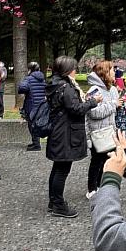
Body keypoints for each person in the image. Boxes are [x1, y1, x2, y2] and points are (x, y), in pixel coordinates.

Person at [45, 55, 101, 218]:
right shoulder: (66, 87)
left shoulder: (54, 84)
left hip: (58, 130)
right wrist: (93, 101)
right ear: (68, 70)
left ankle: (53, 201)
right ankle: (58, 205)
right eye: (74, 68)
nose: (76, 71)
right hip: (66, 133)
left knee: (57, 168)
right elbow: (76, 109)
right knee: (62, 169)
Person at [85, 60, 121, 199]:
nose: (114, 73)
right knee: (96, 162)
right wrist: (113, 104)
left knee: (106, 161)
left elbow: (114, 109)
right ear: (105, 73)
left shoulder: (112, 89)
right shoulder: (94, 90)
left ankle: (100, 186)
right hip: (98, 134)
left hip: (110, 132)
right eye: (112, 70)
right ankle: (92, 189)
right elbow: (93, 112)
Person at [18, 61, 47, 151]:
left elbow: (22, 88)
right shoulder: (42, 78)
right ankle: (36, 143)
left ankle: (36, 144)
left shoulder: (29, 79)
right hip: (41, 105)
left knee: (32, 125)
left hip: (31, 105)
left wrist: (21, 84)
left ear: (30, 69)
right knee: (36, 124)